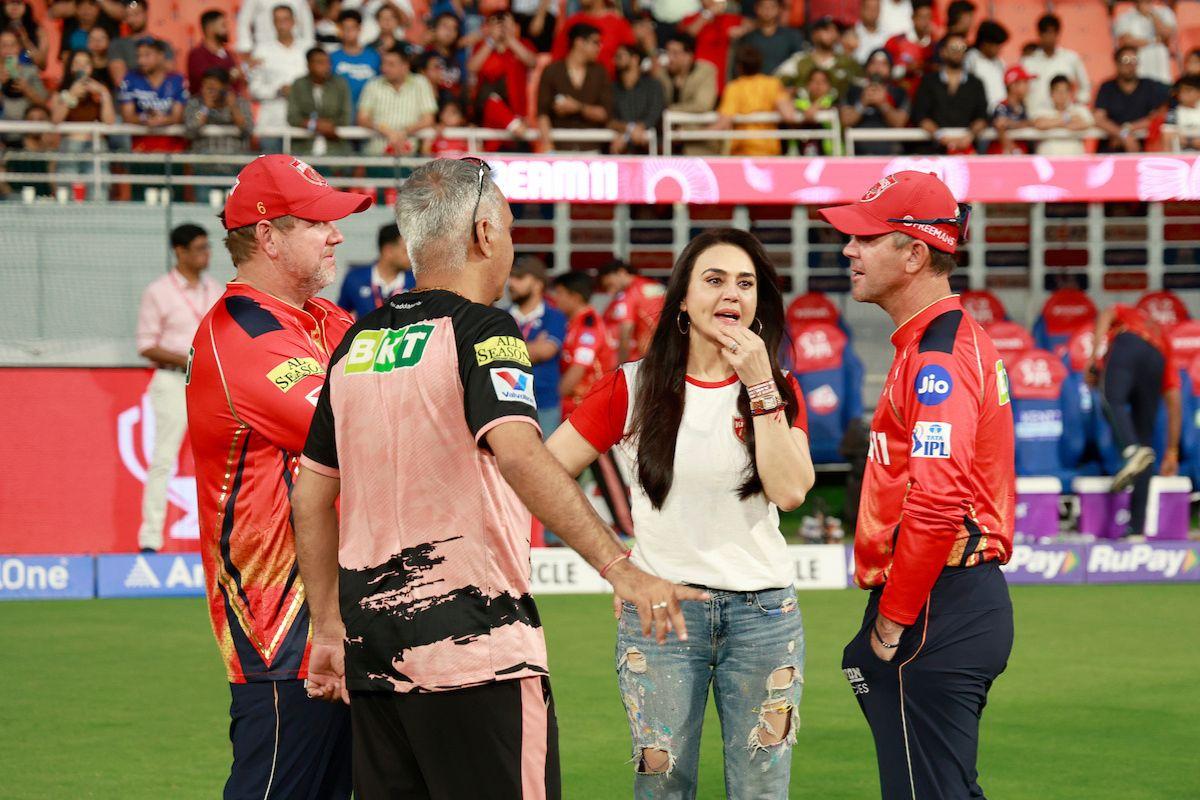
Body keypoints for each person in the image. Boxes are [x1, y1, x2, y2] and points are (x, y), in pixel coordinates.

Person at [291, 157, 707, 800]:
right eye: (509, 227)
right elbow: (516, 452)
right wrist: (620, 567)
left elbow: (311, 494)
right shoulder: (485, 330)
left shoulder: (354, 343)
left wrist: (325, 629)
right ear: (486, 233)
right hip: (478, 653)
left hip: (372, 660)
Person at [545, 228, 814, 799]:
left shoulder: (779, 387)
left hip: (765, 616)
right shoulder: (631, 387)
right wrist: (617, 564)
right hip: (663, 616)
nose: (731, 295)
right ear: (683, 301)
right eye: (713, 280)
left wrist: (761, 383)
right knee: (663, 786)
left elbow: (790, 492)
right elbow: (541, 474)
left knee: (762, 789)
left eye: (745, 284)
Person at [818, 171, 1014, 800]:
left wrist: (891, 623)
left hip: (937, 603)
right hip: (948, 598)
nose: (847, 249)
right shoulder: (933, 344)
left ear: (914, 253)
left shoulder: (938, 357)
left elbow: (937, 500)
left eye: (865, 237)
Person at [187, 154, 373, 800]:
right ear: (267, 237)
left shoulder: (324, 320)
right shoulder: (240, 335)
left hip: (337, 626)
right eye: (319, 221)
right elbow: (360, 435)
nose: (337, 234)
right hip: (281, 637)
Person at [133, 225, 222, 553]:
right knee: (163, 458)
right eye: (199, 248)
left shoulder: (215, 289)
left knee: (219, 461)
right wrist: (189, 359)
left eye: (207, 246)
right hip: (172, 379)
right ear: (179, 251)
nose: (206, 253)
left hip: (209, 382)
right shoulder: (159, 291)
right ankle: (150, 539)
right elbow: (145, 344)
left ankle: (219, 537)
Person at [1086, 304, 1182, 538]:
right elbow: (1174, 401)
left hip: (1127, 343)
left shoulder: (1128, 314)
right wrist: (1171, 452)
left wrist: (1094, 358)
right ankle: (1136, 530)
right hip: (1156, 361)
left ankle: (1130, 451)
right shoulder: (1163, 340)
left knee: (1109, 397)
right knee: (1145, 444)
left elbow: (1106, 313)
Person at [508, 255, 567, 435]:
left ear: (538, 284)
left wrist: (508, 350)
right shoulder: (500, 316)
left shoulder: (554, 316)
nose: (510, 283)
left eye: (519, 278)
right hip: (507, 405)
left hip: (544, 406)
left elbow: (546, 351)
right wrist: (533, 347)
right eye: (510, 277)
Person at [537, 22, 613, 152]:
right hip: (560, 149)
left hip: (591, 149)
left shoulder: (600, 72)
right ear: (579, 42)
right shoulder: (552, 71)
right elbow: (542, 113)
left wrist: (578, 107)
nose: (599, 47)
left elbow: (605, 114)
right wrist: (548, 147)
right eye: (595, 42)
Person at [49, 48, 116, 194]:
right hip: (70, 147)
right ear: (70, 67)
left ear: (92, 68)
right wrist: (71, 94)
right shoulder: (61, 92)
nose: (81, 67)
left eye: (86, 64)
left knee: (97, 193)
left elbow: (109, 121)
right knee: (67, 193)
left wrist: (104, 93)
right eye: (77, 63)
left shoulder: (99, 92)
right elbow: (56, 119)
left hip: (96, 147)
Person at [910, 31, 989, 154]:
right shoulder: (928, 81)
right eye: (953, 48)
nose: (958, 51)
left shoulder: (976, 84)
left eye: (962, 48)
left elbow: (982, 117)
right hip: (933, 151)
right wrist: (941, 136)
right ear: (942, 52)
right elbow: (920, 115)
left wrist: (969, 136)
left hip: (967, 150)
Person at [552, 270, 616, 419]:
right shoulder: (573, 323)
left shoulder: (589, 327)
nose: (556, 299)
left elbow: (578, 369)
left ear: (575, 297)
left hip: (585, 406)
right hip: (574, 405)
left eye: (560, 293)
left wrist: (551, 402)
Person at [711, 44, 792, 157]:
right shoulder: (772, 84)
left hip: (742, 153)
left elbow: (724, 121)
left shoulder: (734, 87)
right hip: (769, 152)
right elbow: (788, 115)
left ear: (739, 67)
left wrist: (696, 134)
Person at [247, 4, 309, 150]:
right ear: (273, 23)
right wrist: (277, 90)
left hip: (302, 120)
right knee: (271, 169)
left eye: (285, 19)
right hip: (272, 121)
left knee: (299, 169)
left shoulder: (307, 48)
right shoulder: (262, 51)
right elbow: (253, 89)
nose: (282, 24)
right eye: (278, 20)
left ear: (294, 21)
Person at [356, 43, 437, 155]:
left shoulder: (420, 83)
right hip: (376, 155)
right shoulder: (373, 84)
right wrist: (385, 130)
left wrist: (403, 132)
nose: (385, 68)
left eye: (391, 64)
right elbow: (362, 119)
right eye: (383, 63)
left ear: (405, 66)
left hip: (409, 156)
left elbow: (428, 119)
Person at [1094, 46, 1171, 154]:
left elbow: (1157, 116)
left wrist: (1128, 129)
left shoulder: (1150, 86)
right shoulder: (1107, 87)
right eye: (1125, 60)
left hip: (1141, 149)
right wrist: (1123, 135)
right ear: (1116, 63)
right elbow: (1099, 118)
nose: (1130, 65)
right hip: (1109, 149)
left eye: (1134, 60)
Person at [658, 32, 719, 156]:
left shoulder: (706, 71)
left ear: (688, 56)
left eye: (675, 53)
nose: (669, 57)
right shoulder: (661, 74)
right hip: (667, 145)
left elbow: (703, 104)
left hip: (698, 144)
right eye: (667, 52)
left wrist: (670, 110)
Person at [337, 222, 415, 318]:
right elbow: (340, 316)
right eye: (406, 251)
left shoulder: (416, 282)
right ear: (388, 250)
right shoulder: (355, 279)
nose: (412, 257)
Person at [841, 48, 910, 156]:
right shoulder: (854, 91)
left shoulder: (899, 93)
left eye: (883, 64)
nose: (877, 68)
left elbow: (898, 123)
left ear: (890, 69)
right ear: (867, 67)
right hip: (856, 154)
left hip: (890, 154)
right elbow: (846, 121)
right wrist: (863, 103)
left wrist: (882, 104)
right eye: (873, 63)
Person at [287, 47, 353, 156]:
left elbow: (346, 117)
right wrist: (314, 125)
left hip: (335, 148)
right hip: (303, 148)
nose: (325, 66)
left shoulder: (340, 85)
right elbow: (292, 117)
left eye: (328, 62)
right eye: (320, 62)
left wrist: (329, 126)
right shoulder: (298, 84)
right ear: (309, 65)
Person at [780, 15, 862, 101]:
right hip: (804, 110)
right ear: (814, 34)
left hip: (837, 111)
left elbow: (862, 85)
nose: (833, 33)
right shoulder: (799, 60)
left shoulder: (849, 62)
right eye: (826, 29)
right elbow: (777, 83)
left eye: (836, 31)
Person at [1021, 13, 1090, 114]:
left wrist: (1078, 103)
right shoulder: (1028, 62)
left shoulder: (1071, 58)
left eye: (1052, 32)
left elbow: (1085, 86)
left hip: (1066, 117)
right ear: (1039, 34)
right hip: (1037, 117)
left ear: (1058, 34)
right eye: (1045, 33)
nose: (1048, 37)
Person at [599, 260, 665, 364]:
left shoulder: (629, 295)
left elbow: (625, 333)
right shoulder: (654, 286)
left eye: (610, 285)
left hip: (647, 355)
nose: (610, 292)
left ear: (621, 272)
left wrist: (621, 366)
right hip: (666, 349)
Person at [679, 0, 751, 93]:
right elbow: (689, 34)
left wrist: (743, 29)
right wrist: (708, 13)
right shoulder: (691, 18)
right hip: (696, 76)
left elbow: (753, 23)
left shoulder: (726, 19)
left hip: (719, 80)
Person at [551, 0, 635, 77]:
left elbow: (631, 60)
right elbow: (557, 59)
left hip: (611, 87)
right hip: (575, 87)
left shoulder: (619, 24)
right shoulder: (572, 23)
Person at [184, 67, 253, 158]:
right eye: (206, 86)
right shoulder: (195, 103)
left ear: (225, 87)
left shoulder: (240, 103)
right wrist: (205, 108)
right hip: (203, 161)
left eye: (213, 86)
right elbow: (190, 130)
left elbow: (247, 130)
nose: (210, 91)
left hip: (234, 161)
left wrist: (233, 108)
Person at [610, 42, 665, 155]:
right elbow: (609, 118)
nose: (616, 60)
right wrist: (630, 130)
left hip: (650, 149)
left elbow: (654, 114)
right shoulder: (611, 88)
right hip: (618, 149)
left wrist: (628, 135)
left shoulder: (653, 85)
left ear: (635, 59)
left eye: (620, 56)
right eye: (615, 57)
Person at [107, 0, 173, 86]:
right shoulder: (117, 45)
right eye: (128, 15)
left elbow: (170, 77)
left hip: (159, 98)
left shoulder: (163, 44)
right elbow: (121, 82)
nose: (132, 19)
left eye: (136, 14)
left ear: (146, 13)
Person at [1114, 0, 1176, 86]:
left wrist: (1153, 15)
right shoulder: (1125, 16)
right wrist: (1154, 41)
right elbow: (1127, 41)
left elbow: (1166, 35)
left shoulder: (1165, 12)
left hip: (1160, 61)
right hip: (1138, 61)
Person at [330, 8, 381, 113]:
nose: (348, 32)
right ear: (339, 30)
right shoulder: (331, 57)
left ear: (360, 29)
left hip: (369, 115)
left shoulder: (374, 56)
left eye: (352, 28)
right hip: (341, 114)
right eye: (345, 28)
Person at [1032, 73, 1094, 156]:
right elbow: (1039, 124)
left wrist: (1052, 122)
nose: (1061, 95)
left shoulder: (1080, 109)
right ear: (1051, 93)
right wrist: (1067, 119)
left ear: (1070, 93)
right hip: (1047, 161)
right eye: (1058, 91)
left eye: (1065, 91)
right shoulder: (1042, 110)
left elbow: (1084, 124)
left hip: (1074, 159)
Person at [737, 0, 805, 76]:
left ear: (779, 9)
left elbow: (800, 62)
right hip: (755, 85)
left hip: (783, 84)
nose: (767, 10)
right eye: (763, 6)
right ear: (756, 8)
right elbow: (740, 66)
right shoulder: (748, 38)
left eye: (772, 6)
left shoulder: (792, 36)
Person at [884, 0, 935, 99]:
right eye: (922, 17)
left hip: (926, 98)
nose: (925, 22)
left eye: (928, 17)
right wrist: (906, 69)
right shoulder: (896, 42)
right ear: (913, 18)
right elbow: (886, 71)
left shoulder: (934, 46)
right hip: (898, 96)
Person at [0, 28, 47, 130]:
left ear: (19, 47)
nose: (8, 49)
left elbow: (44, 104)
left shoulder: (31, 71)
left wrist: (27, 89)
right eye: (4, 45)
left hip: (27, 129)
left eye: (12, 45)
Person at [186, 9, 240, 96]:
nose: (227, 29)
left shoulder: (230, 54)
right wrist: (234, 74)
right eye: (223, 25)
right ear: (210, 28)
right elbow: (208, 84)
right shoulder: (196, 55)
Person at [236, 0, 315, 58]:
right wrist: (245, 47)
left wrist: (309, 44)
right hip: (264, 46)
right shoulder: (261, 50)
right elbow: (244, 20)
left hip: (295, 47)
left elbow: (307, 22)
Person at [965, 19, 1009, 113]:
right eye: (997, 46)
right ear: (985, 43)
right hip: (981, 112)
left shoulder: (999, 62)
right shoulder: (971, 59)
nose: (999, 50)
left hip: (1000, 112)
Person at [991, 64, 1036, 155]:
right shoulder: (1002, 106)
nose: (1028, 86)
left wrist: (1013, 123)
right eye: (1025, 82)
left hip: (1021, 151)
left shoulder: (1023, 106)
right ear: (1013, 85)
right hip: (1003, 154)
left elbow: (1030, 123)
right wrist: (1014, 150)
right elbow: (1000, 125)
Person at [2, 0, 50, 70]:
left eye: (18, 3)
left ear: (26, 5)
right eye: (10, 2)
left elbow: (42, 65)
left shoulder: (37, 30)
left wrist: (25, 41)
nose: (14, 7)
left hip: (27, 74)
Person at [1165, 75, 1200, 151]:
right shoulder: (1173, 113)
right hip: (1182, 156)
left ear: (1198, 92)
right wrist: (1191, 142)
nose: (1183, 94)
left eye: (1188, 90)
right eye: (1181, 91)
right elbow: (1167, 137)